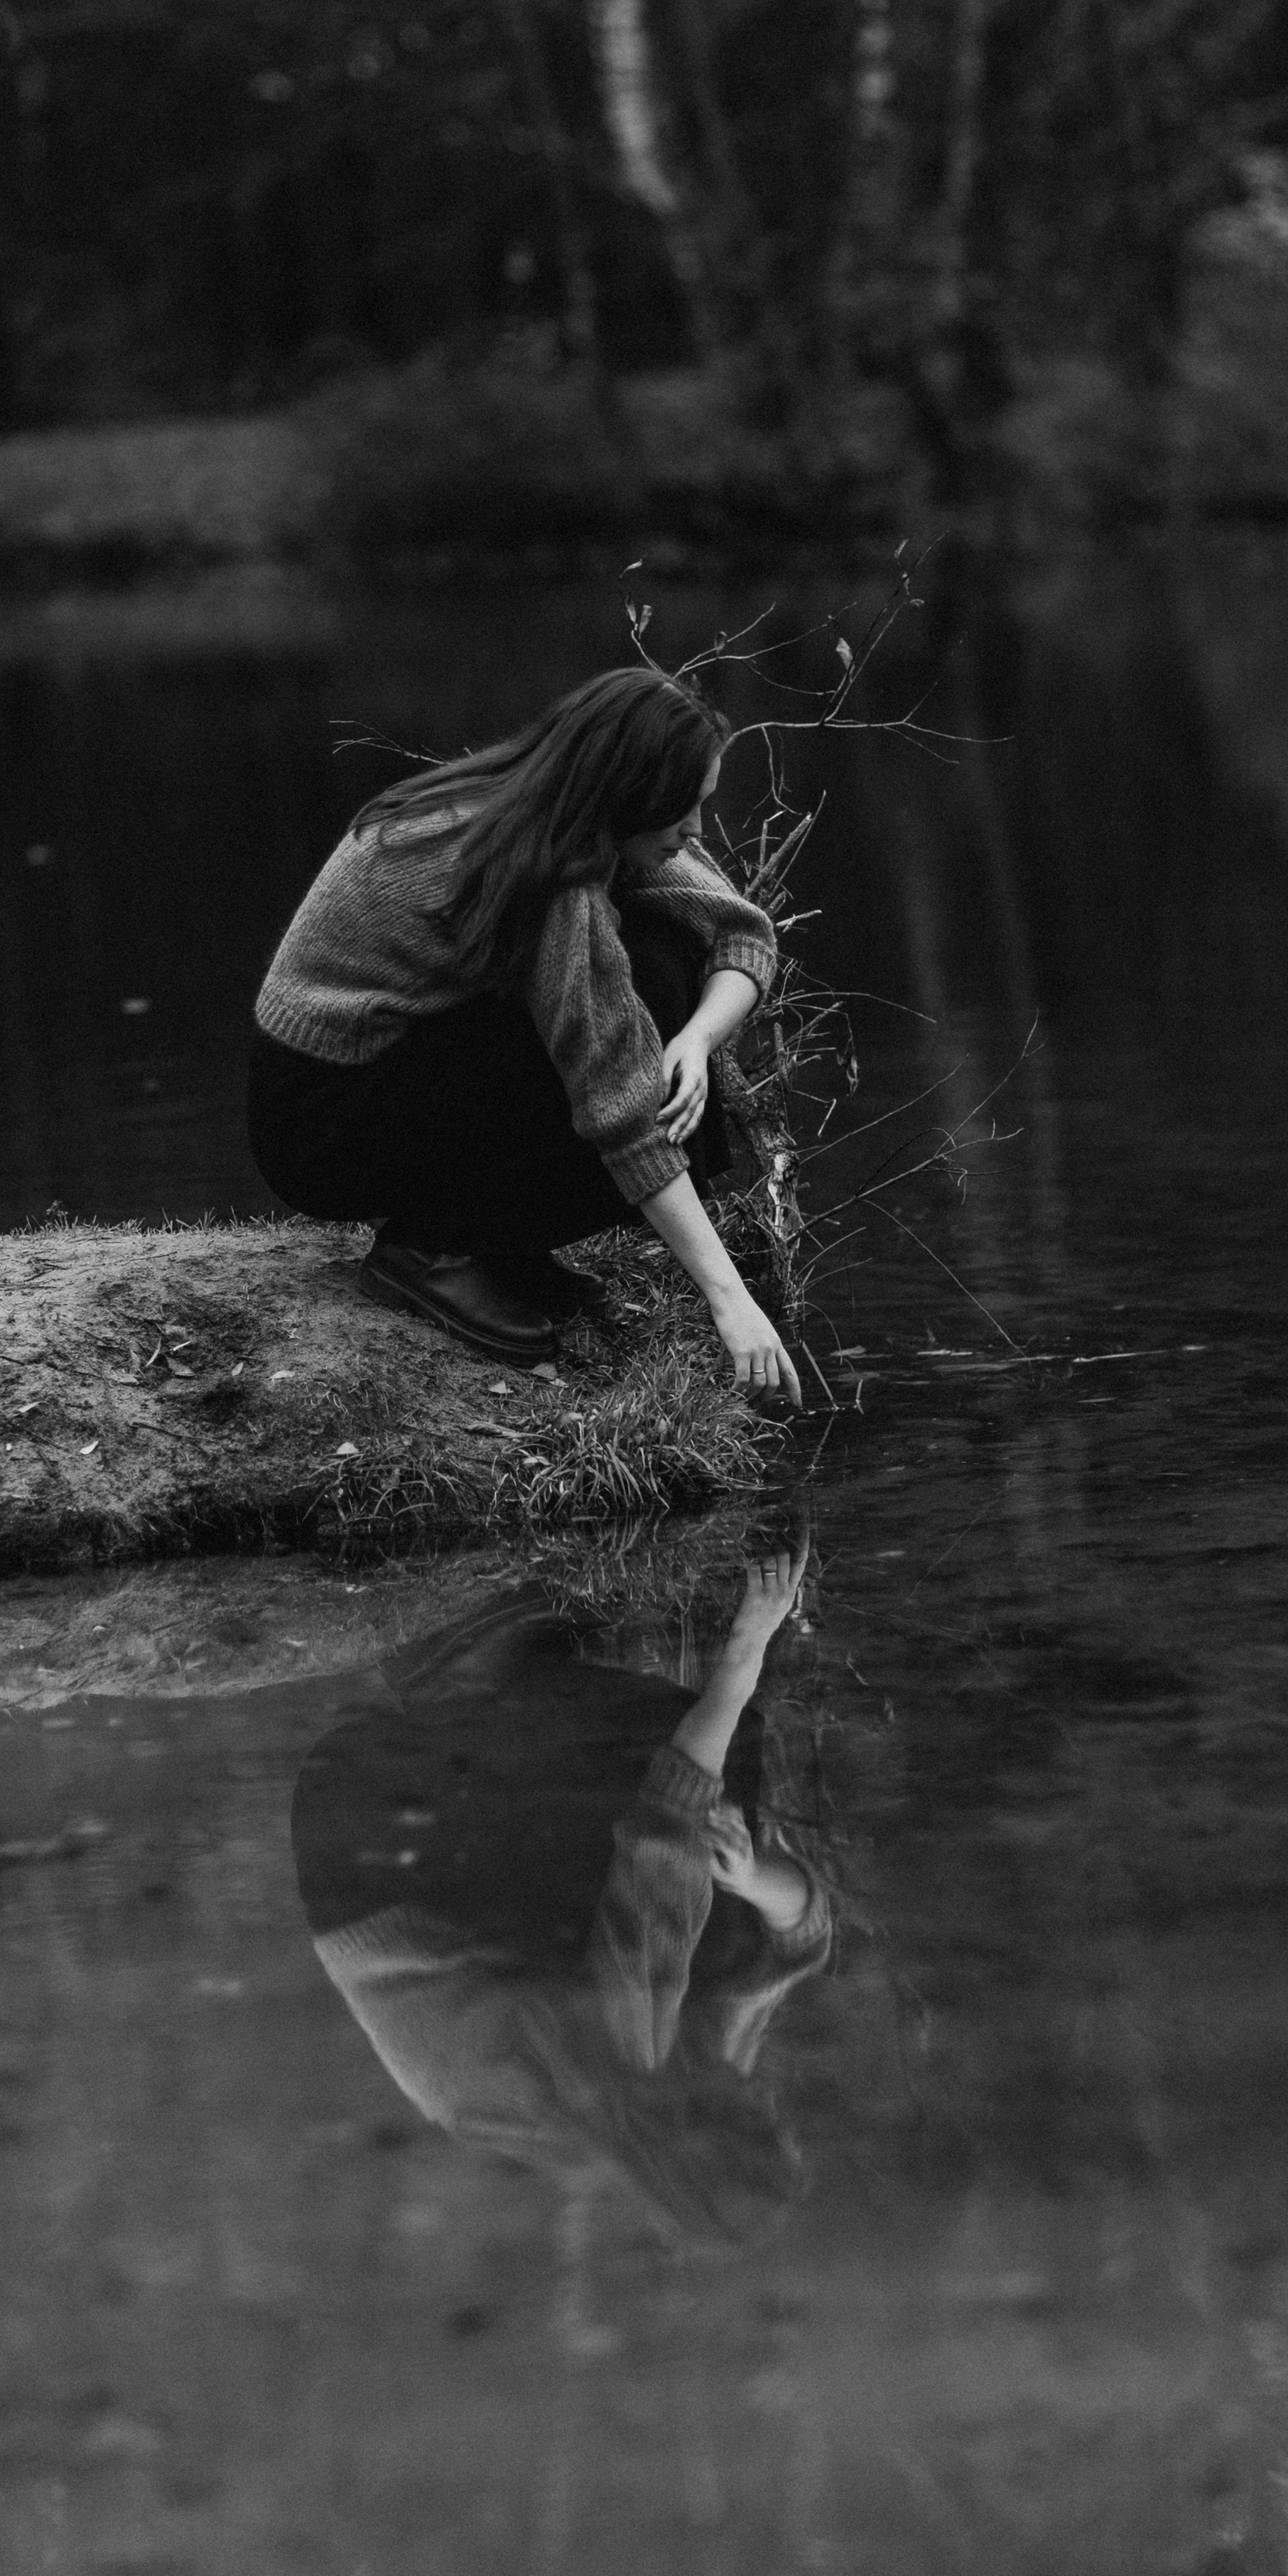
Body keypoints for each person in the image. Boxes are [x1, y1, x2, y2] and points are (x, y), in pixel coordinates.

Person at [249, 665, 802, 1397]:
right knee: (621, 1037)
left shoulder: (576, 809)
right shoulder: (545, 871)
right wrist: (730, 1301)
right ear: (632, 789)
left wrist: (696, 1039)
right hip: (319, 1115)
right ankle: (429, 1248)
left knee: (665, 963)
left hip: (402, 1068)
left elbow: (741, 932)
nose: (695, 830)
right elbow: (620, 1109)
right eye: (683, 809)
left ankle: (499, 1244)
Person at [291, 1541, 828, 2246]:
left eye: (758, 2115)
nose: (762, 2092)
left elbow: (663, 1835)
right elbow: (801, 1943)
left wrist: (743, 1655)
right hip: (426, 1859)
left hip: (379, 1841)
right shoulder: (670, 2096)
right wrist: (753, 1875)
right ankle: (522, 1677)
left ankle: (460, 1666)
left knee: (693, 1832)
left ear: (706, 2132)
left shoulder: (614, 2071)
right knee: (724, 1901)